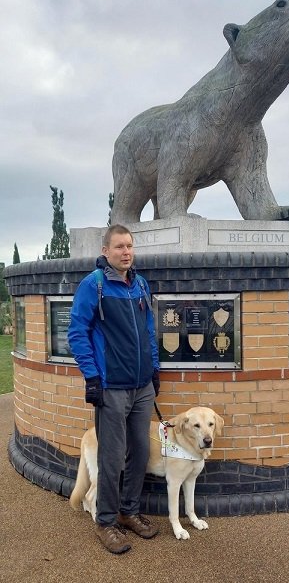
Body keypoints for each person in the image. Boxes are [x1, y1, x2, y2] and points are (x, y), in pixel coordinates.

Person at [68, 224, 160, 554]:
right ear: (106, 251)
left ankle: (129, 511)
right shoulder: (93, 286)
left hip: (141, 386)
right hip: (111, 388)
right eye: (119, 246)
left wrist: (155, 370)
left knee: (140, 453)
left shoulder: (140, 285)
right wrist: (92, 378)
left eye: (130, 246)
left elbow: (149, 331)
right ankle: (105, 521)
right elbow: (77, 333)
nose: (126, 252)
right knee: (111, 458)